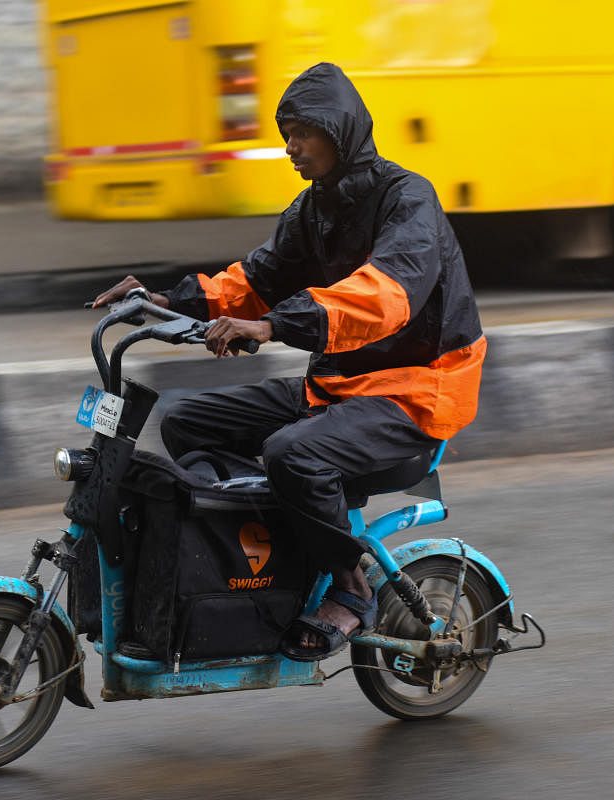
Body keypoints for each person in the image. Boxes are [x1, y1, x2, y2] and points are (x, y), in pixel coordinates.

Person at [92, 62, 486, 661]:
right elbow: (257, 278)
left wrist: (274, 325)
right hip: (339, 385)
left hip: (416, 392)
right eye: (286, 135)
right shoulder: (314, 211)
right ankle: (267, 552)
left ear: (342, 131)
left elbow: (385, 296)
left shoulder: (408, 200)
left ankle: (349, 588)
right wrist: (166, 299)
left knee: (292, 453)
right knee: (184, 423)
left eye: (303, 132)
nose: (291, 148)